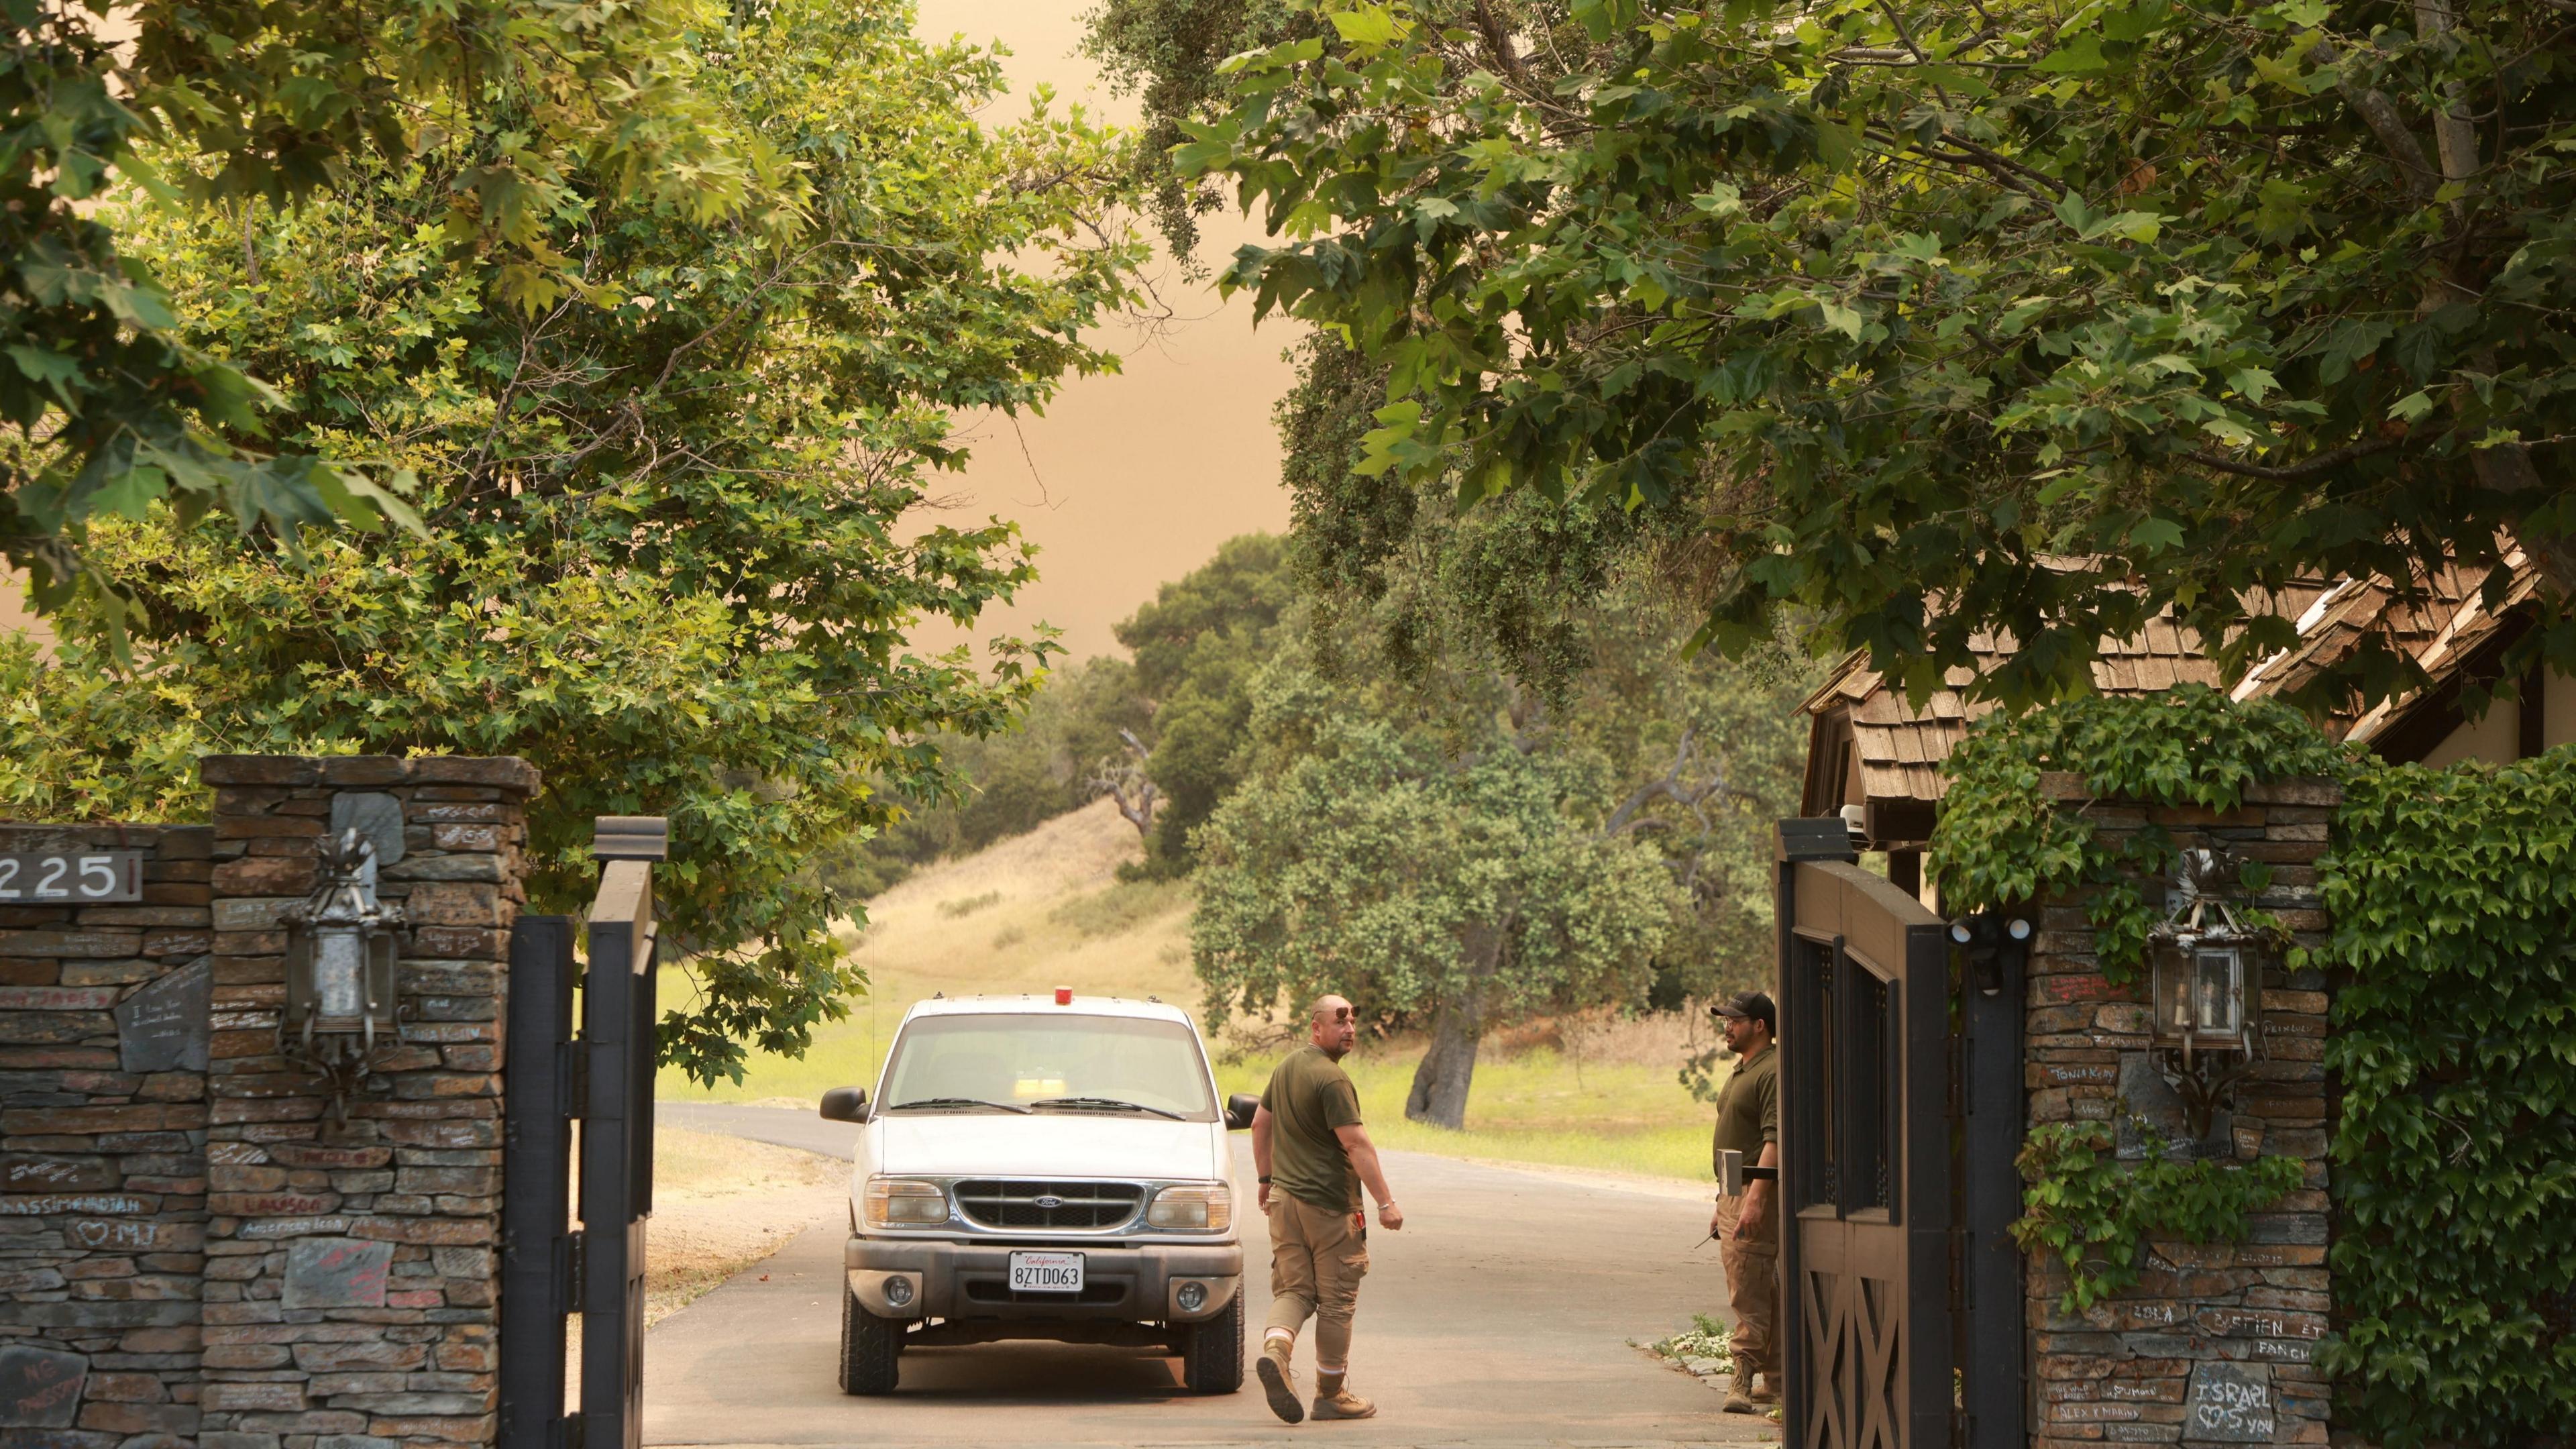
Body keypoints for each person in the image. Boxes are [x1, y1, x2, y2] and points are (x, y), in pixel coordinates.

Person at [1250, 994, 1404, 1424]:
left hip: (1284, 1202)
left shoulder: (1286, 1068)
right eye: (1340, 1022)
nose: (1350, 1029)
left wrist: (1266, 1181)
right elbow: (1356, 1143)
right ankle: (1331, 1394)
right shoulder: (1331, 1080)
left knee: (1294, 1292)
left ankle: (1277, 1353)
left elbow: (1260, 1123)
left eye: (1353, 1020)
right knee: (1337, 1302)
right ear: (1316, 1028)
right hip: (1329, 1209)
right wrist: (1385, 1203)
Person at [1707, 989, 1780, 1414]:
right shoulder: (1743, 1070)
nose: (1727, 1026)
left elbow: (1774, 1140)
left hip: (1754, 1191)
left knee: (1747, 1287)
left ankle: (1742, 1377)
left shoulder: (1770, 1070)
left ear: (1760, 1025)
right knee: (1759, 1285)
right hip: (1734, 1190)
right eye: (1725, 1020)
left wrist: (1754, 1200)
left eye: (1735, 1020)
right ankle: (1776, 1381)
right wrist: (1723, 1199)